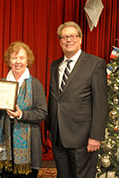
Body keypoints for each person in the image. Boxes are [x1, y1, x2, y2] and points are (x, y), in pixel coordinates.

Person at [47, 21, 109, 178]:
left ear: (80, 39)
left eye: (72, 36)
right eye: (64, 37)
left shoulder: (95, 64)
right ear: (60, 41)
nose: (69, 40)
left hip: (83, 138)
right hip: (58, 136)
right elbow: (54, 99)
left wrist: (96, 136)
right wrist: (50, 128)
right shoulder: (55, 65)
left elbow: (100, 103)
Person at [0, 41, 48, 178]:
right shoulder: (0, 84)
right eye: (14, 58)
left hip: (29, 149)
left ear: (28, 61)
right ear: (8, 61)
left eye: (22, 58)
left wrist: (21, 114)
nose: (18, 62)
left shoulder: (35, 84)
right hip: (4, 146)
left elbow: (42, 113)